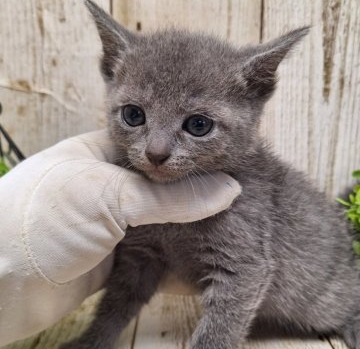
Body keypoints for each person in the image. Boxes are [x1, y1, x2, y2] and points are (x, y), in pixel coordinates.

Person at [0, 130, 241, 346]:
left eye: (198, 124)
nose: (155, 150)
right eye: (135, 116)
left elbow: (241, 276)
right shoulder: (127, 189)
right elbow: (134, 277)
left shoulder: (246, 196)